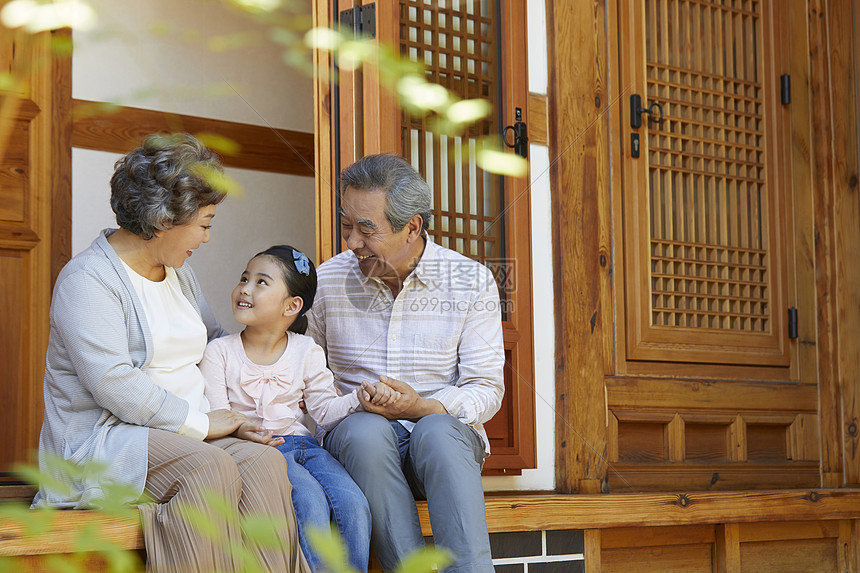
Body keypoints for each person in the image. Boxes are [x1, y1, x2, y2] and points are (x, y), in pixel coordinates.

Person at [33, 133, 311, 573]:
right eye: (204, 224)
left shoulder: (179, 273)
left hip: (188, 434)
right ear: (165, 220)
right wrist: (200, 424)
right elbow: (113, 383)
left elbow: (217, 340)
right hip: (105, 442)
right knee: (207, 468)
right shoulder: (87, 280)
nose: (205, 238)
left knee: (263, 463)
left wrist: (240, 413)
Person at [307, 153, 505, 573]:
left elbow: (486, 389)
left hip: (438, 450)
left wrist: (420, 407)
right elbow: (307, 374)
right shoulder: (326, 281)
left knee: (436, 430)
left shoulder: (470, 281)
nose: (352, 242)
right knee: (364, 429)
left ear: (412, 226)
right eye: (347, 226)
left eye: (366, 230)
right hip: (358, 451)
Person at [200, 244, 394, 573]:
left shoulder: (306, 349)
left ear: (292, 306)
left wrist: (359, 398)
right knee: (308, 500)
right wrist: (240, 430)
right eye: (245, 278)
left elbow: (325, 411)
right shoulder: (219, 352)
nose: (245, 288)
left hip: (306, 446)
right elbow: (219, 415)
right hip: (261, 451)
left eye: (261, 282)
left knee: (352, 502)